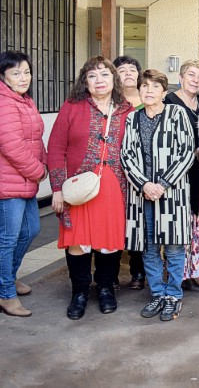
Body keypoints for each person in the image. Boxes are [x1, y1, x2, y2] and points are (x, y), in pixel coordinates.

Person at [47, 56, 133, 320]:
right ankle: (80, 292)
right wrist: (58, 188)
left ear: (113, 79)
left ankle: (106, 288)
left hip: (114, 187)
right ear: (85, 81)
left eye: (104, 75)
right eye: (92, 75)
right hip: (78, 187)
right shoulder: (72, 107)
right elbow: (56, 148)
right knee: (78, 241)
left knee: (109, 242)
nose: (99, 81)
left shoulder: (126, 110)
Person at [121, 70, 195, 322]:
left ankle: (173, 295)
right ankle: (157, 294)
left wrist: (161, 184)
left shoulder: (177, 114)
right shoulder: (132, 118)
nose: (149, 90)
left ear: (164, 91)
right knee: (149, 248)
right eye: (145, 86)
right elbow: (126, 156)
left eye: (155, 86)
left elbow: (186, 152)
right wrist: (144, 184)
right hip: (142, 195)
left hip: (171, 193)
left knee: (174, 248)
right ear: (139, 91)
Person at [0, 51, 47, 317]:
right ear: (4, 76)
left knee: (31, 230)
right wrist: (38, 170)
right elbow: (11, 146)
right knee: (7, 240)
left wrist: (44, 165)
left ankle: (7, 276)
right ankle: (6, 294)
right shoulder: (4, 102)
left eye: (26, 72)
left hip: (25, 181)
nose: (23, 77)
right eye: (16, 73)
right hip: (9, 184)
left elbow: (36, 138)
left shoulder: (23, 100)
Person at [165, 59, 199, 292]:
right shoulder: (169, 102)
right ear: (181, 77)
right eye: (191, 75)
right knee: (179, 225)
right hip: (177, 176)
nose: (195, 80)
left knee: (196, 225)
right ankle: (176, 275)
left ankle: (192, 272)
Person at [113, 55, 146, 291]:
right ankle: (111, 273)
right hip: (116, 172)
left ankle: (138, 272)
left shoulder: (149, 99)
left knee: (139, 223)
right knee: (115, 223)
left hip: (144, 172)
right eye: (121, 69)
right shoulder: (111, 103)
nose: (127, 73)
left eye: (132, 69)